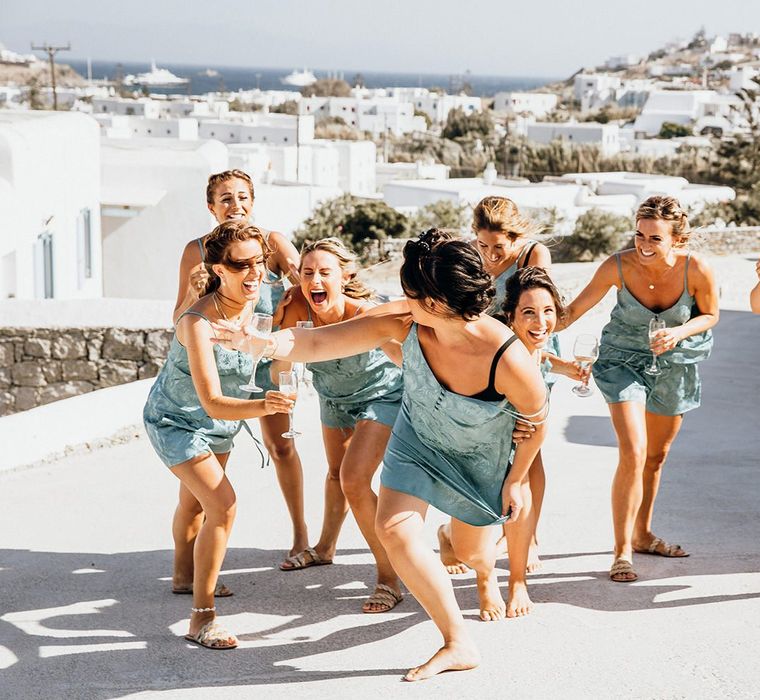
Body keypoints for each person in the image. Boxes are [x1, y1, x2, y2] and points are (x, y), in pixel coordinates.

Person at [216, 229, 548, 680]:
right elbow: (318, 342)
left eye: (411, 292)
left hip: (477, 457)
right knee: (393, 529)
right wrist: (257, 342)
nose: (402, 298)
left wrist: (515, 479)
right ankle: (457, 641)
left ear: (435, 302)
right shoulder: (405, 321)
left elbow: (537, 419)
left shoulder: (506, 358)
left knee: (473, 554)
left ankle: (464, 548)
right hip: (417, 442)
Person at [144, 221, 294, 649]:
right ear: (217, 269)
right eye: (241, 265)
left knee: (194, 503)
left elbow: (309, 295)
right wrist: (269, 405)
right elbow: (210, 400)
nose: (254, 273)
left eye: (259, 263)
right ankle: (202, 616)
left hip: (223, 422)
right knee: (223, 505)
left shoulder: (261, 302)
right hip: (176, 420)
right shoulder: (197, 321)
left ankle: (182, 574)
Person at [560, 195, 718, 583]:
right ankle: (621, 552)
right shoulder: (618, 265)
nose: (643, 245)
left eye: (655, 239)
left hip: (675, 364)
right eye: (639, 235)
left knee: (656, 456)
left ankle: (643, 533)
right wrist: (527, 321)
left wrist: (679, 332)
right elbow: (572, 313)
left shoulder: (695, 269)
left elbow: (711, 315)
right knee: (633, 450)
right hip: (622, 363)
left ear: (677, 240)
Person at [172, 169, 308, 572]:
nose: (236, 206)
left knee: (282, 445)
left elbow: (309, 286)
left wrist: (290, 294)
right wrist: (196, 296)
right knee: (207, 462)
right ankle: (192, 562)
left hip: (268, 358)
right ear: (211, 207)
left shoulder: (274, 242)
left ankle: (300, 533)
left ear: (253, 200)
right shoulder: (195, 251)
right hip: (224, 366)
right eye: (226, 199)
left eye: (243, 197)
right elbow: (178, 317)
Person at [273, 238, 405, 613]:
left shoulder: (365, 312)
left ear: (345, 276)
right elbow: (279, 360)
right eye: (308, 272)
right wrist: (283, 374)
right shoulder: (296, 305)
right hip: (333, 397)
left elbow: (402, 355)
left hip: (382, 396)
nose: (315, 279)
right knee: (335, 474)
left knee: (354, 480)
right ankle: (325, 548)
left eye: (324, 272)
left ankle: (389, 577)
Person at [437, 196, 556, 578]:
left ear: (515, 237)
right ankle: (455, 533)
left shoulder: (533, 256)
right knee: (485, 451)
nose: (489, 255)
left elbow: (543, 308)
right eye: (482, 245)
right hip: (484, 362)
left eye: (498, 247)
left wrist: (545, 360)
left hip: (528, 356)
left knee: (530, 450)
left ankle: (527, 535)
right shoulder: (472, 255)